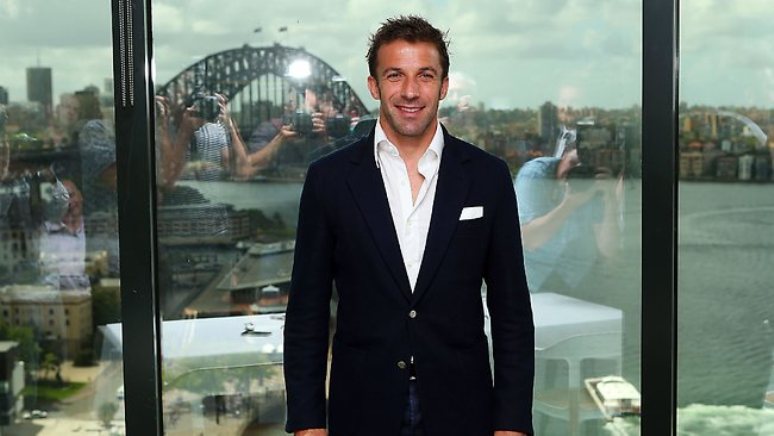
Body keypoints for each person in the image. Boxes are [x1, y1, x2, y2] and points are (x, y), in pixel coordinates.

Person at [284, 16, 534, 436]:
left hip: (463, 407)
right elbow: (307, 311)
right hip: (362, 407)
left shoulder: (488, 177)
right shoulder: (329, 179)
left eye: (425, 75)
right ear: (374, 85)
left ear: (444, 86)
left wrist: (512, 422)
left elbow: (512, 311)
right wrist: (307, 422)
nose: (411, 91)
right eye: (395, 75)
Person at [514, 128, 622, 293]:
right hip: (532, 275)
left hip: (577, 274)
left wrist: (610, 198)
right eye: (573, 163)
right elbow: (528, 240)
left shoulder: (596, 184)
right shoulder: (536, 175)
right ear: (562, 156)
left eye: (585, 168)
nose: (575, 173)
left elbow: (609, 252)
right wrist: (569, 204)